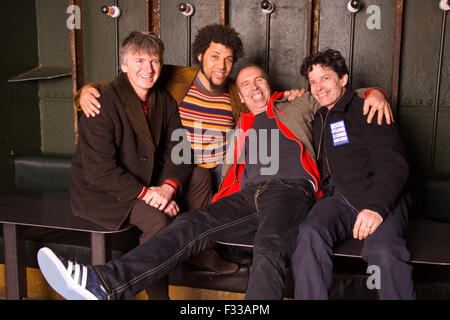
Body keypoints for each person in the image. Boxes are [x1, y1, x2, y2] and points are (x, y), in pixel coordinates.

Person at [37, 64, 392, 300]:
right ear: (238, 94)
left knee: (270, 245)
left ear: (270, 85)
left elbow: (338, 90)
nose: (254, 88)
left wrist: (374, 92)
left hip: (290, 188)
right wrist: (85, 90)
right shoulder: (238, 130)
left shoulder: (296, 105)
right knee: (190, 222)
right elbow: (152, 77)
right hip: (247, 195)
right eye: (246, 84)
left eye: (259, 81)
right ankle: (105, 283)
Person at [70, 31, 193, 300]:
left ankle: (201, 251)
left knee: (200, 179)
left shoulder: (163, 99)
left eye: (154, 61)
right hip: (104, 192)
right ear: (123, 65)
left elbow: (180, 149)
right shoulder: (100, 103)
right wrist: (151, 195)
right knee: (158, 219)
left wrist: (168, 188)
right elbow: (99, 171)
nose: (147, 69)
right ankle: (157, 297)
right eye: (138, 60)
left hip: (146, 182)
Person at [291, 49, 415, 300]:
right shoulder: (319, 117)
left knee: (382, 250)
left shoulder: (368, 108)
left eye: (325, 78)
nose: (318, 87)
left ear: (343, 79)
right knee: (310, 233)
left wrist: (377, 207)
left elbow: (394, 166)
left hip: (381, 194)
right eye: (313, 82)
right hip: (339, 198)